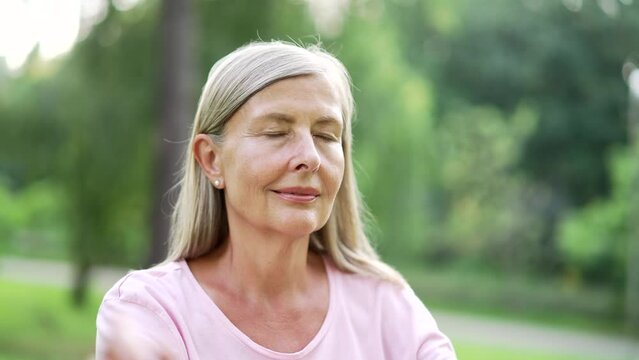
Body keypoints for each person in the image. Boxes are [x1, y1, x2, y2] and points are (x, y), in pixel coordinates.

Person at [96, 40, 457, 360]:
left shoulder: (385, 306)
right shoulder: (150, 310)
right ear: (211, 159)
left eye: (326, 135)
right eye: (276, 132)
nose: (310, 156)